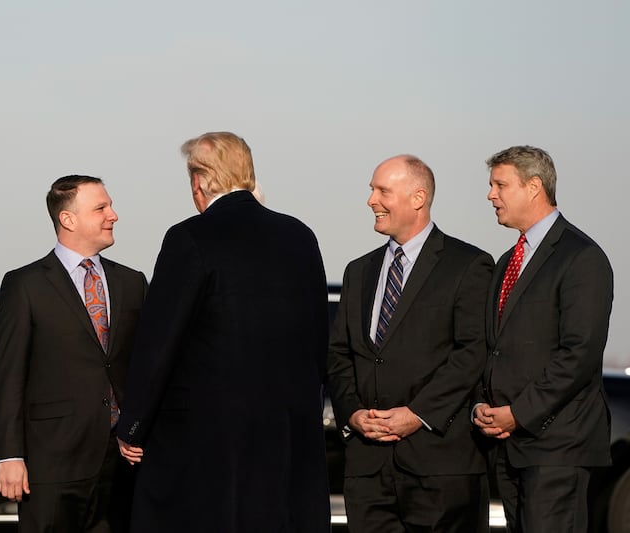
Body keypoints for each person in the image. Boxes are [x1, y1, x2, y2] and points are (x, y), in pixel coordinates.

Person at [116, 131, 331, 533]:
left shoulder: (189, 237)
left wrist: (132, 425)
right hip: (288, 438)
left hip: (208, 444)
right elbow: (319, 339)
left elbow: (159, 343)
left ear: (199, 182)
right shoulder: (300, 236)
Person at [326, 155, 494, 532]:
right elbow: (339, 354)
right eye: (371, 190)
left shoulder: (468, 265)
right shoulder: (359, 271)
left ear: (418, 198)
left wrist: (416, 414)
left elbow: (471, 352)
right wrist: (352, 413)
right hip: (368, 475)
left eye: (382, 190)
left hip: (438, 470)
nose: (371, 200)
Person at [0, 175, 146, 532]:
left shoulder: (132, 282)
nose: (114, 215)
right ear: (68, 219)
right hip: (52, 464)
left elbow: (144, 367)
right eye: (101, 208)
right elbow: (10, 376)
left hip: (121, 463)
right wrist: (10, 455)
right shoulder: (25, 284)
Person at [473, 146, 613, 532]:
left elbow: (579, 354)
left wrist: (518, 413)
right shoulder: (507, 261)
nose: (490, 195)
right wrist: (484, 405)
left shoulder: (581, 257)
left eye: (500, 184)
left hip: (558, 447)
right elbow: (495, 348)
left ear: (534, 187)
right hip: (510, 448)